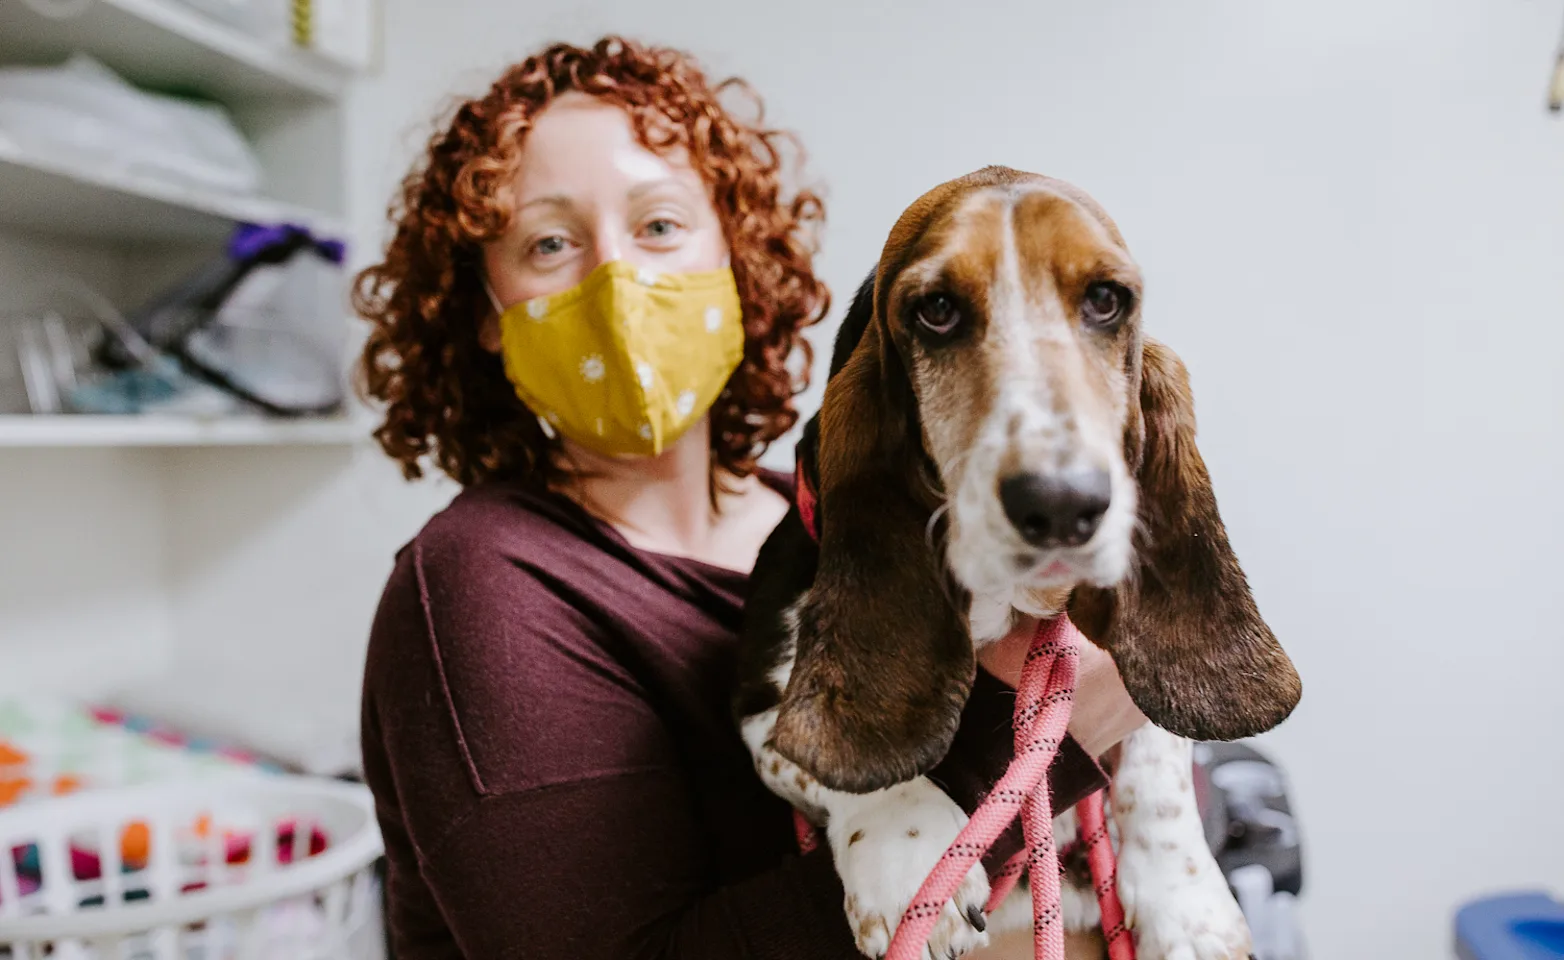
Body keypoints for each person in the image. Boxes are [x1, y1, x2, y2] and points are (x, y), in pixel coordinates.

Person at [355, 36, 1147, 960]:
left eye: (658, 227)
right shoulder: (479, 587)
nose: (617, 282)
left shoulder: (838, 522)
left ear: (737, 261)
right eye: (550, 243)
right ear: (486, 315)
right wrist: (1044, 743)